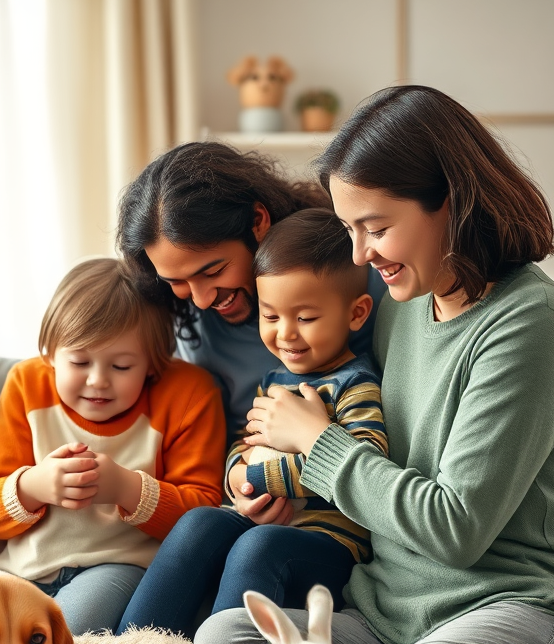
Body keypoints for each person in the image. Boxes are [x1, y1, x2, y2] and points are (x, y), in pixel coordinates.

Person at [195, 86, 554, 644]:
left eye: (374, 227)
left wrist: (318, 448)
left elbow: (456, 527)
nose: (359, 253)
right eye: (349, 229)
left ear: (450, 202)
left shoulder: (530, 322)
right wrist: (256, 477)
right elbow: (310, 397)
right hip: (388, 615)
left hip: (516, 609)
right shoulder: (402, 305)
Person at [116, 208, 387, 635]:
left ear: (356, 314)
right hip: (260, 519)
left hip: (328, 546)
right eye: (272, 316)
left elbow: (367, 464)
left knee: (258, 546)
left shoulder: (357, 385)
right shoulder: (274, 380)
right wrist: (239, 482)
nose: (286, 334)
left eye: (306, 318)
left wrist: (264, 475)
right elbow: (244, 446)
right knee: (199, 523)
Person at [117, 140, 389, 526]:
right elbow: (225, 437)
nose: (201, 299)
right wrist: (237, 486)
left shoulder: (350, 279)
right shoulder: (193, 323)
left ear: (258, 222)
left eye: (212, 271)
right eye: (177, 281)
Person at [0, 258, 226, 634]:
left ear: (153, 365)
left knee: (63, 638)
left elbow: (202, 516)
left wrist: (126, 488)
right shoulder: (27, 384)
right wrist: (34, 486)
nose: (98, 381)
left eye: (121, 367)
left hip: (116, 569)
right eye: (79, 361)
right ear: (50, 355)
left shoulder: (189, 394)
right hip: (21, 571)